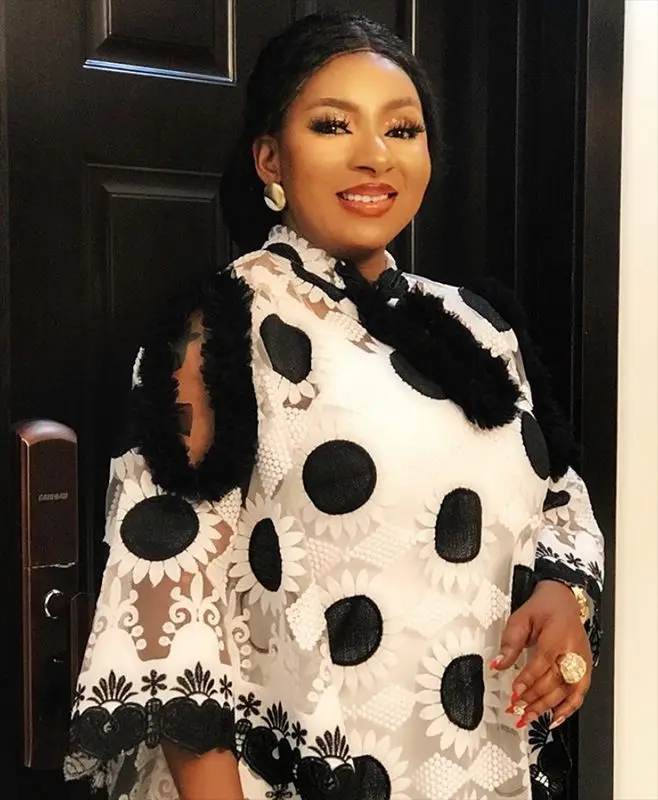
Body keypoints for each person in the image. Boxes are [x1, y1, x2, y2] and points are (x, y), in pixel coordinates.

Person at [64, 12, 604, 800]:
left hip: (483, 768)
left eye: (402, 129)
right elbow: (171, 618)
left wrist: (565, 601)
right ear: (270, 158)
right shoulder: (223, 333)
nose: (374, 154)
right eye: (332, 124)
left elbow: (558, 497)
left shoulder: (478, 326)